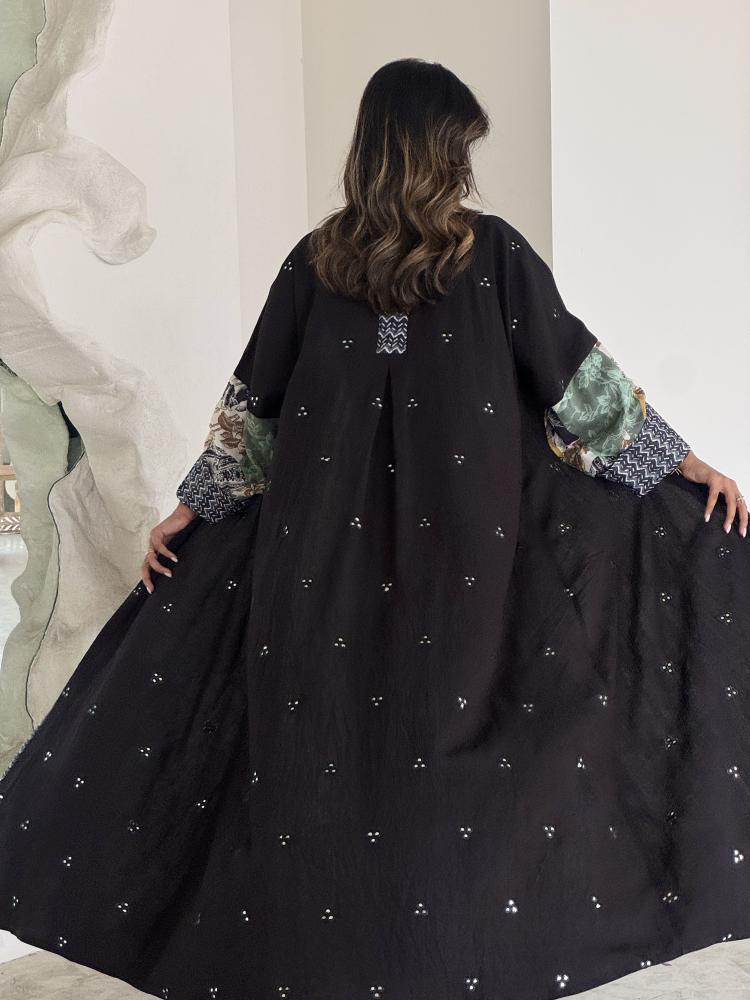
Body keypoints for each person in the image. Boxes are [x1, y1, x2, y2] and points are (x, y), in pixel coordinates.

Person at [1, 57, 749, 1000]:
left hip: (362, 561)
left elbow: (257, 414)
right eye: (459, 147)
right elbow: (571, 388)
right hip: (416, 557)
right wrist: (191, 510)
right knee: (365, 753)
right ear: (429, 149)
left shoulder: (343, 262)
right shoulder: (434, 259)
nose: (466, 167)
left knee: (369, 751)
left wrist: (681, 466)